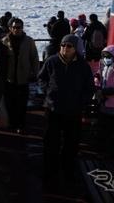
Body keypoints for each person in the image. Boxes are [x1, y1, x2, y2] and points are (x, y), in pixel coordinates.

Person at [37, 34, 94, 183]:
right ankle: (49, 172)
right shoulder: (52, 61)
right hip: (53, 109)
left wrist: (82, 102)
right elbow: (42, 78)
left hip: (73, 111)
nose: (64, 48)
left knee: (71, 144)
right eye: (63, 45)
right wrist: (47, 91)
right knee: (50, 143)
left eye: (69, 46)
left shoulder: (83, 66)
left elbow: (89, 88)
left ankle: (68, 172)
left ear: (75, 48)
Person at [1, 17, 39, 133]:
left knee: (22, 103)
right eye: (14, 27)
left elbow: (34, 58)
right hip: (9, 77)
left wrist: (34, 73)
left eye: (19, 27)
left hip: (23, 77)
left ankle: (20, 124)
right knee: (10, 102)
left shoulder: (29, 41)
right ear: (10, 28)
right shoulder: (5, 41)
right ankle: (11, 123)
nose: (17, 30)